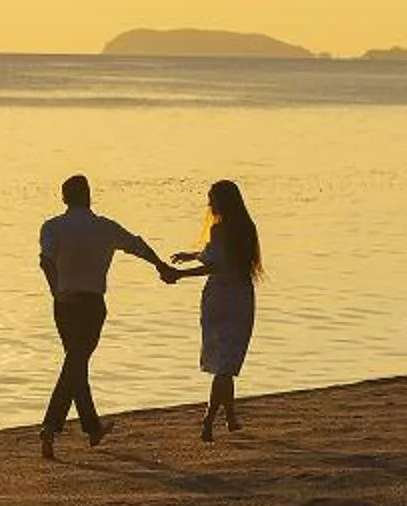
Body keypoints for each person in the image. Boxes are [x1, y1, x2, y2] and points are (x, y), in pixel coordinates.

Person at [36, 174, 176, 459]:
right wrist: (160, 265)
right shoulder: (104, 228)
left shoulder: (51, 227)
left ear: (64, 198)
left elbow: (45, 260)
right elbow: (137, 245)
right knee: (75, 363)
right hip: (91, 304)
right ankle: (51, 426)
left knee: (75, 363)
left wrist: (55, 291)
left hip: (63, 304)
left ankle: (90, 428)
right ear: (89, 196)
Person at [166, 179, 263, 442]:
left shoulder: (221, 230)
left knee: (224, 363)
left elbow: (215, 265)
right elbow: (221, 258)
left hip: (219, 297)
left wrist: (180, 274)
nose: (209, 204)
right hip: (241, 297)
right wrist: (193, 255)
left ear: (222, 202)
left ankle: (212, 420)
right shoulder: (247, 227)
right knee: (227, 362)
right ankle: (224, 419)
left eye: (212, 199)